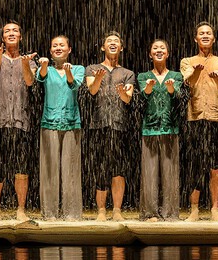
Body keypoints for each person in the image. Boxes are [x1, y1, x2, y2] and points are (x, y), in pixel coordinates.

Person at [179, 22, 218, 222]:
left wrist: (217, 78)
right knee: (195, 164)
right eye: (202, 33)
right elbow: (188, 82)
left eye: (209, 33)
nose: (205, 36)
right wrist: (196, 72)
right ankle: (193, 209)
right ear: (196, 38)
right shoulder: (187, 61)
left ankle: (215, 209)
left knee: (215, 166)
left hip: (216, 118)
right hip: (195, 118)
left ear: (214, 38)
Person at [0, 21, 37, 221]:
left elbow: (30, 81)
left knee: (21, 167)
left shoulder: (28, 60)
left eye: (15, 30)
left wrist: (25, 64)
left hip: (20, 121)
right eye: (7, 31)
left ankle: (21, 210)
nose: (12, 33)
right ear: (3, 37)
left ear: (21, 37)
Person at [84, 32, 135, 221]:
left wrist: (122, 92)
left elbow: (127, 99)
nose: (113, 44)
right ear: (103, 47)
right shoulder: (92, 68)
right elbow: (92, 90)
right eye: (109, 42)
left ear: (121, 48)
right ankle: (101, 211)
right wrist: (98, 78)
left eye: (116, 42)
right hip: (99, 125)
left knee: (119, 169)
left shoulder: (128, 73)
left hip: (120, 125)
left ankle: (117, 210)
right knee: (100, 168)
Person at [36, 35, 84, 220]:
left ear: (69, 49)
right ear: (50, 51)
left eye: (61, 45)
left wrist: (69, 72)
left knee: (70, 168)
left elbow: (74, 86)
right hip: (50, 121)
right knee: (49, 169)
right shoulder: (46, 69)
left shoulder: (78, 68)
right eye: (54, 45)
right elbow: (39, 78)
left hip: (71, 122)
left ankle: (71, 212)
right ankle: (49, 213)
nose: (58, 48)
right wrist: (43, 65)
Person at [137, 39, 185, 221]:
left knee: (170, 173)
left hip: (170, 128)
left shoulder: (176, 75)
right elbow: (144, 94)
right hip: (149, 128)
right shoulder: (143, 76)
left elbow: (176, 95)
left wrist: (172, 88)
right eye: (155, 48)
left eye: (162, 48)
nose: (158, 50)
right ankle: (150, 213)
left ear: (167, 53)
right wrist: (148, 88)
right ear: (150, 54)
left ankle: (170, 212)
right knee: (149, 174)